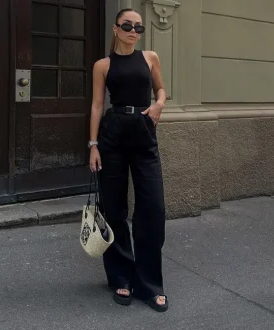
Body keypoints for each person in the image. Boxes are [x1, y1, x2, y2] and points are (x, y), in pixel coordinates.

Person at [88, 8, 168, 313]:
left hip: (144, 134)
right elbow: (97, 105)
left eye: (138, 27)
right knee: (115, 209)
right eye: (127, 26)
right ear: (115, 28)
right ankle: (121, 276)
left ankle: (150, 284)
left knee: (153, 208)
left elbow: (161, 90)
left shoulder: (150, 58)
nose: (133, 31)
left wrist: (159, 105)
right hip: (113, 136)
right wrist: (93, 145)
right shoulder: (102, 65)